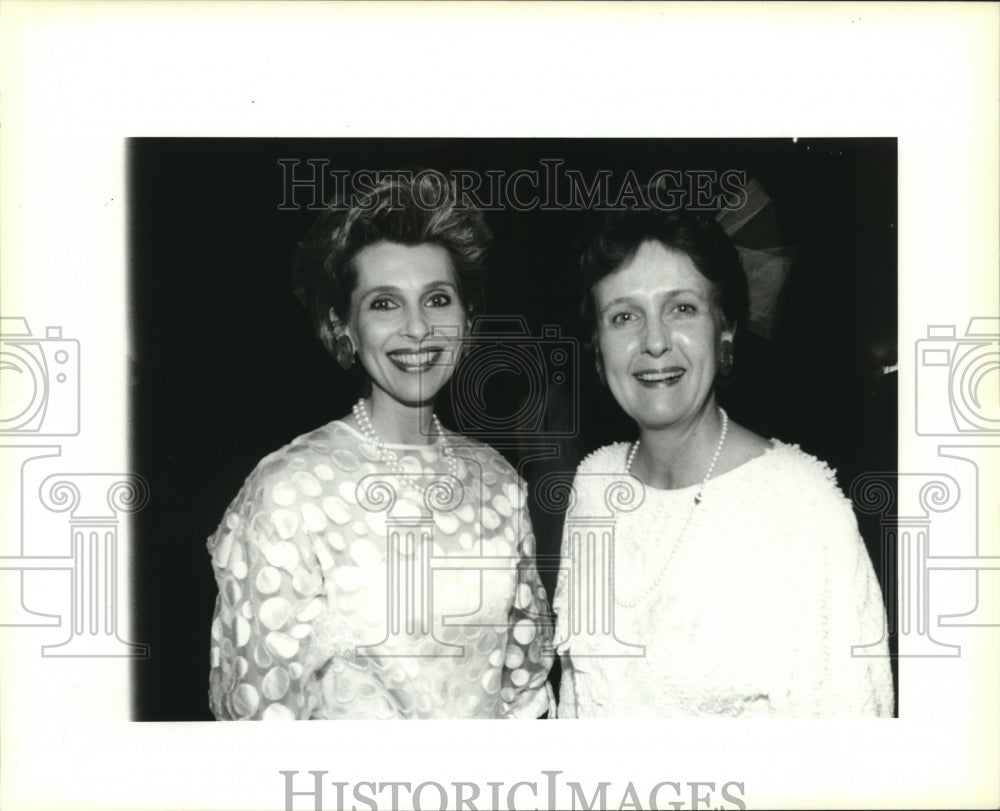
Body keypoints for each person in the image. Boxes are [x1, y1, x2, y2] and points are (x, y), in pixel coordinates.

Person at [207, 173, 553, 719]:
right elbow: (261, 721)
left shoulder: (499, 481)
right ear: (341, 326)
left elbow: (524, 691)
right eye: (384, 304)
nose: (418, 328)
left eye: (437, 299)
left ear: (467, 319)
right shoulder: (288, 492)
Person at [553, 203, 894, 717]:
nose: (654, 341)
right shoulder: (594, 485)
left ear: (726, 329)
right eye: (624, 316)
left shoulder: (801, 506)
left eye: (682, 308)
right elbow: (578, 704)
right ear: (598, 350)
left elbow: (854, 752)